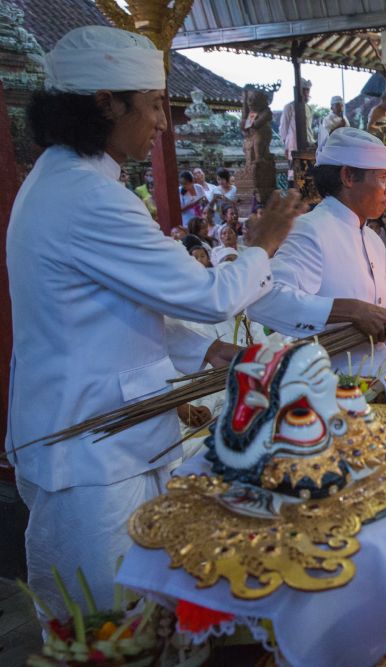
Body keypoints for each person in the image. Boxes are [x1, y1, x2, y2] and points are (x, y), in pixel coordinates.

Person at [7, 25, 300, 613]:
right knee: (111, 626)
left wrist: (206, 352)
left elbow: (105, 312)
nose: (165, 122)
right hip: (93, 458)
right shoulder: (87, 196)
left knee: (151, 616)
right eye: (156, 106)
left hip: (114, 441)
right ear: (104, 104)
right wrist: (262, 244)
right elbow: (213, 297)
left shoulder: (68, 181)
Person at [247, 126, 386, 375]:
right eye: (383, 177)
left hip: (383, 376)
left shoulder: (373, 240)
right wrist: (351, 310)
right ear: (348, 177)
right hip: (332, 389)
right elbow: (264, 299)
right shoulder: (311, 230)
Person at [279, 80, 314, 165]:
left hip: (308, 144)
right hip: (293, 144)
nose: (306, 93)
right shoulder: (289, 107)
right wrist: (286, 146)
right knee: (294, 170)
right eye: (304, 90)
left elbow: (309, 128)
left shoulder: (308, 108)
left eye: (307, 90)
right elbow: (284, 128)